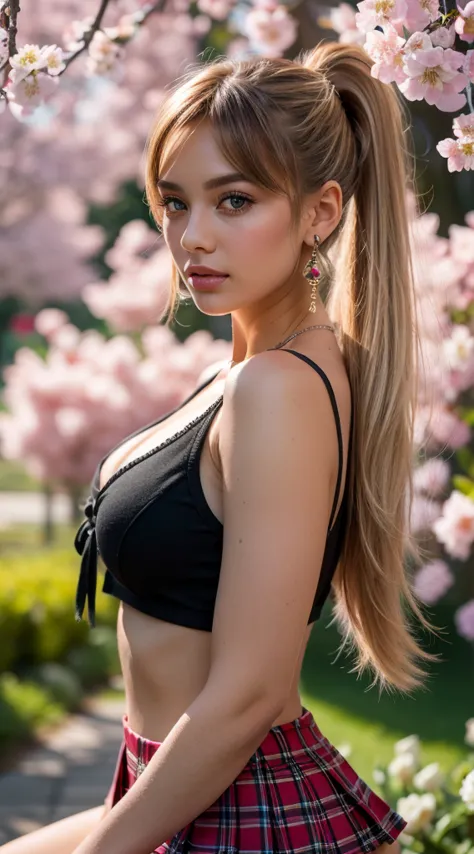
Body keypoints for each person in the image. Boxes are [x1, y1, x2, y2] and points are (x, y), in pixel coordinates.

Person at [1, 39, 439, 854]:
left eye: (233, 201)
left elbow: (249, 694)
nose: (192, 236)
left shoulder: (279, 389)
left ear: (320, 212)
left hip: (238, 811)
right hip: (178, 792)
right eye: (175, 203)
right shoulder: (253, 374)